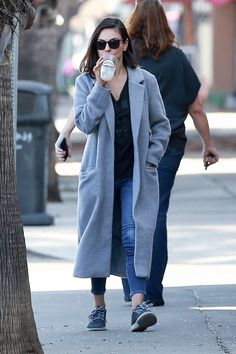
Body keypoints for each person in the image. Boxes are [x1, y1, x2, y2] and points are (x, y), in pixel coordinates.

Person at [55, 16, 171, 332]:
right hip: (100, 174)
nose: (107, 49)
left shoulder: (144, 80)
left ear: (124, 45)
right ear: (95, 48)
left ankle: (138, 306)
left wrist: (151, 159)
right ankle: (98, 306)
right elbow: (87, 122)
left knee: (135, 234)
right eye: (101, 44)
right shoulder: (85, 82)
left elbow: (161, 124)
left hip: (135, 173)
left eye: (113, 43)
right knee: (98, 237)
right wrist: (101, 86)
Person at [121, 0, 219, 306]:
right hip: (169, 146)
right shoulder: (177, 59)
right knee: (156, 213)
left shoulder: (127, 56)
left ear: (134, 22)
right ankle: (152, 292)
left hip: (130, 146)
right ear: (165, 23)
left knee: (129, 213)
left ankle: (132, 288)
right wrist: (208, 145)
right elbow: (196, 108)